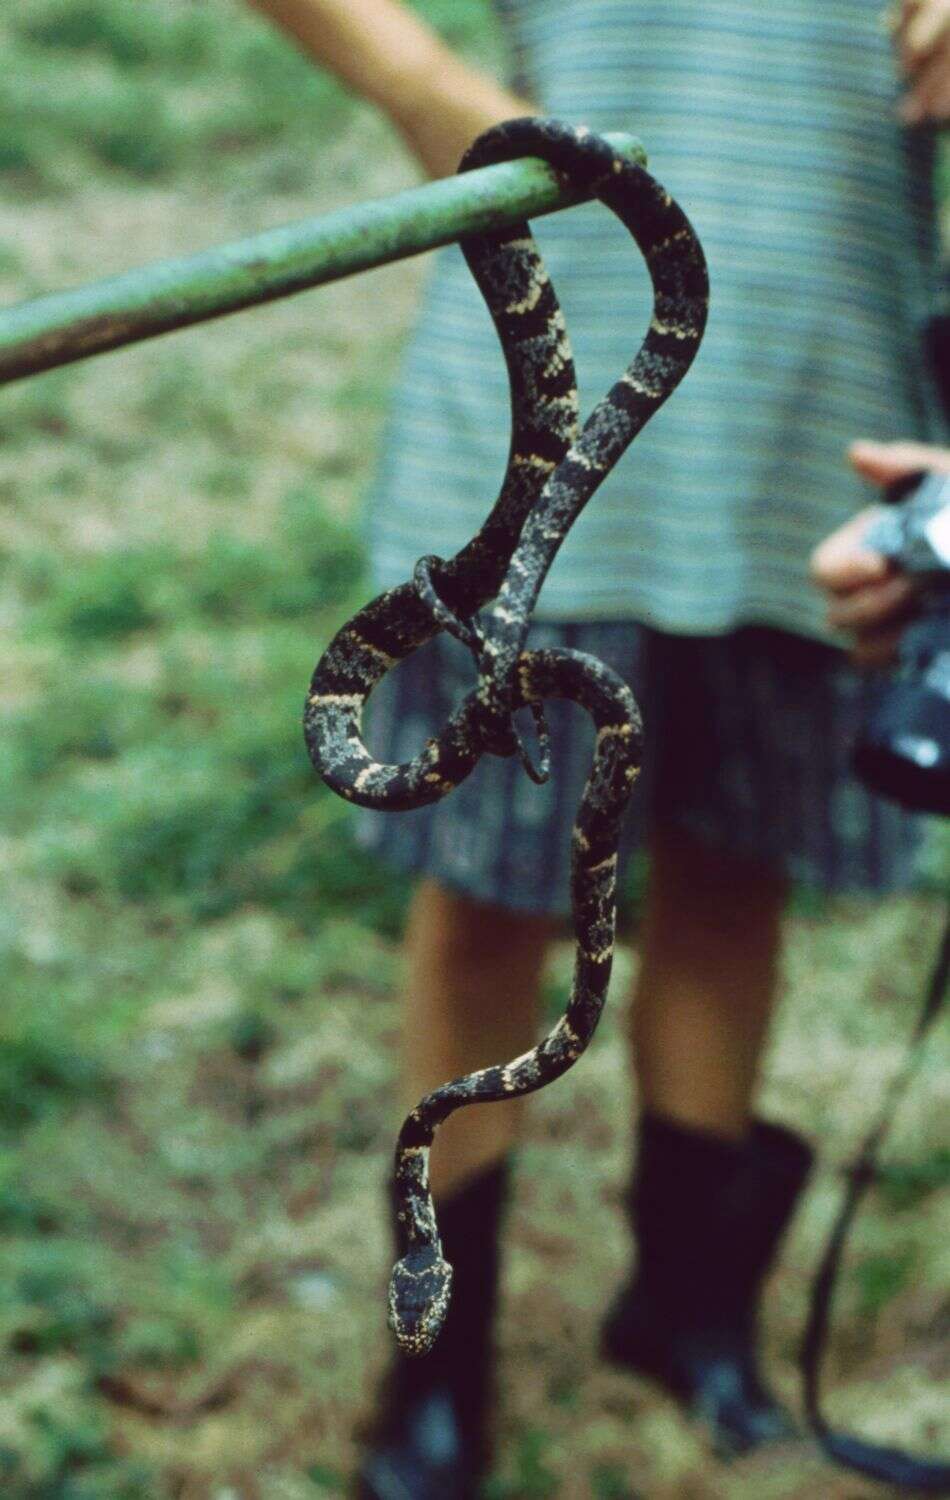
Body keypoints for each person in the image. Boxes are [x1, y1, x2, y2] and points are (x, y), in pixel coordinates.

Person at [249, 3, 949, 1496]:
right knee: (492, 898)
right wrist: (423, 86)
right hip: (530, 441)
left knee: (729, 866)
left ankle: (685, 1310)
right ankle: (435, 1369)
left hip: (820, 418)